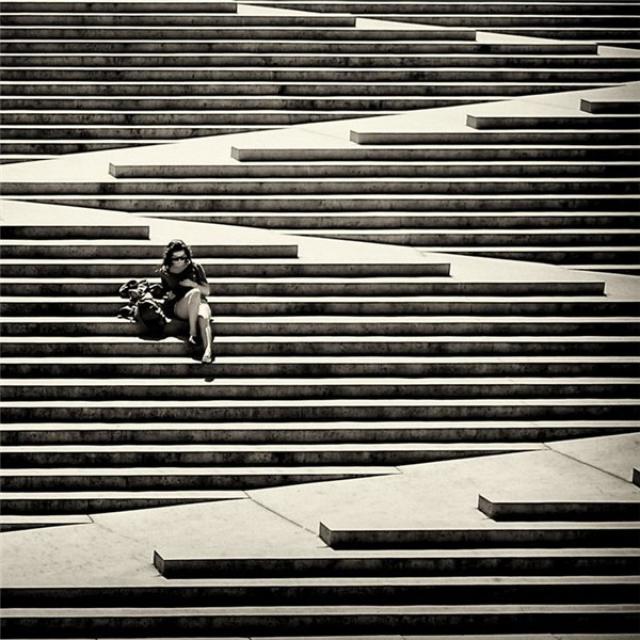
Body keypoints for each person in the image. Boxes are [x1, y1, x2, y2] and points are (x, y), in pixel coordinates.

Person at [158, 239, 213, 363]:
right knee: (195, 293)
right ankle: (193, 332)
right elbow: (164, 292)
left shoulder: (195, 267)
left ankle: (208, 351)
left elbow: (207, 291)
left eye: (183, 257)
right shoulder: (165, 271)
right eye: (176, 258)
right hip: (180, 306)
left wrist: (192, 284)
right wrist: (168, 296)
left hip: (199, 302)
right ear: (169, 258)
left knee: (203, 315)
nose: (180, 261)